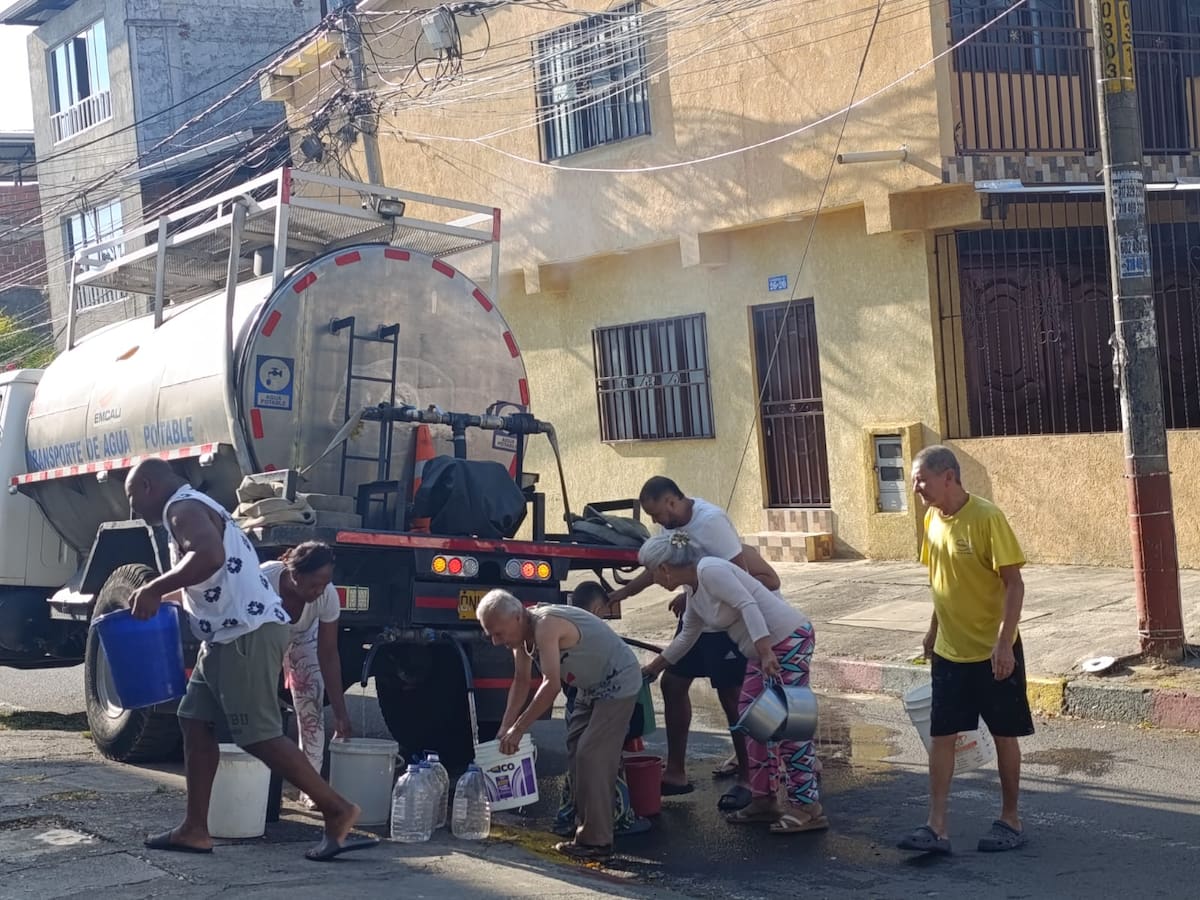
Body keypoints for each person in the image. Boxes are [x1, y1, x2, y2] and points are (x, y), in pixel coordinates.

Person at [124, 459, 374, 862]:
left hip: (246, 632)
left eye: (133, 497)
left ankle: (337, 809)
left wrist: (155, 588)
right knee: (193, 720)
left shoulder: (180, 509)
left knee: (257, 734)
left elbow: (208, 556)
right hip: (225, 635)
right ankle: (194, 828)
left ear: (149, 485)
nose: (134, 510)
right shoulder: (193, 505)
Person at [640, 531, 826, 834]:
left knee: (792, 725)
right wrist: (653, 670)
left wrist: (766, 653)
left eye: (651, 571)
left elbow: (748, 604)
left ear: (664, 568)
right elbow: (688, 635)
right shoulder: (694, 590)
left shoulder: (710, 570)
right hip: (761, 650)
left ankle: (808, 807)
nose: (653, 579)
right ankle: (764, 799)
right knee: (752, 722)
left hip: (786, 640)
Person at [609, 477, 777, 810]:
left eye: (657, 515)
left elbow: (741, 582)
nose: (657, 523)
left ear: (671, 501)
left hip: (739, 621)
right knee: (673, 682)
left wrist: (765, 648)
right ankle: (676, 773)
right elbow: (661, 568)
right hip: (704, 609)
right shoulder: (674, 540)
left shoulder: (711, 522)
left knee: (735, 698)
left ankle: (752, 778)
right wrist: (625, 593)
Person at [898, 445, 1031, 855]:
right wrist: (932, 631)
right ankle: (936, 827)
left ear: (948, 477)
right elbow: (942, 582)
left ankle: (1010, 819)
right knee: (942, 736)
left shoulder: (987, 518)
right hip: (950, 652)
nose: (916, 487)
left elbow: (1014, 584)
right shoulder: (931, 520)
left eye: (922, 479)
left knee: (1004, 734)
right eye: (915, 480)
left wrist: (1004, 643)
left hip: (994, 651)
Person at [479, 588, 641, 862]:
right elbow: (521, 681)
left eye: (498, 633)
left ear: (518, 617)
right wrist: (504, 728)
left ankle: (598, 840)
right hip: (589, 687)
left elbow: (551, 685)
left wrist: (518, 730)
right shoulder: (522, 637)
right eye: (490, 634)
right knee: (576, 751)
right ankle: (583, 828)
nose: (496, 641)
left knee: (592, 754)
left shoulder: (545, 625)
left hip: (618, 680)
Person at [260, 541, 352, 809]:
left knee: (311, 702)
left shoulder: (327, 595)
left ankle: (309, 788)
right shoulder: (264, 579)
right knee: (259, 705)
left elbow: (328, 653)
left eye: (326, 583)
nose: (320, 590)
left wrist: (341, 713)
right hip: (263, 633)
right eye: (315, 583)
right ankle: (258, 781)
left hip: (303, 636)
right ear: (294, 575)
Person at [554, 581, 648, 839]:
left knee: (578, 757)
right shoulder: (592, 636)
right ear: (597, 609)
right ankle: (618, 818)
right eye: (605, 612)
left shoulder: (564, 627)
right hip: (596, 698)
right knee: (601, 760)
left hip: (574, 703)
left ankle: (569, 816)